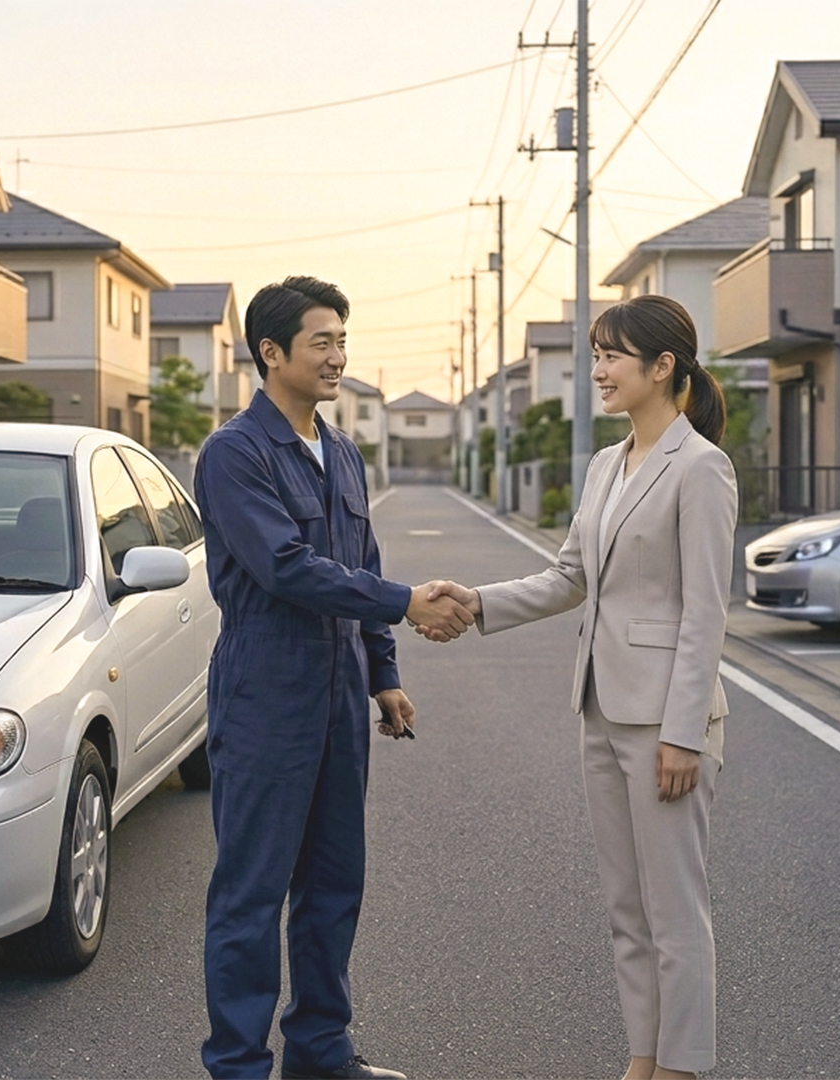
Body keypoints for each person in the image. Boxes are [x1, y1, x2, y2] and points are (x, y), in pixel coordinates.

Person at [421, 294, 736, 1079]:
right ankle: (643, 1057)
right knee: (627, 909)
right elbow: (570, 577)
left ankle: (682, 1066)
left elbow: (706, 613)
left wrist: (682, 731)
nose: (597, 370)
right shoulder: (606, 463)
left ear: (664, 367)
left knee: (675, 911)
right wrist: (478, 602)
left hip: (665, 719)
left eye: (612, 355)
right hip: (599, 707)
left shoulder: (701, 467)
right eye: (595, 354)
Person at [195, 276, 474, 1080]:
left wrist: (383, 671)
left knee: (332, 883)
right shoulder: (234, 454)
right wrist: (406, 603)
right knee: (251, 894)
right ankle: (240, 1066)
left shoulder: (342, 451)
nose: (338, 357)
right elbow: (287, 567)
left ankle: (320, 1053)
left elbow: (362, 561)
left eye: (343, 340)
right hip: (265, 688)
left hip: (342, 691)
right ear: (271, 352)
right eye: (322, 341)